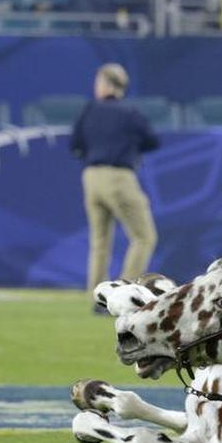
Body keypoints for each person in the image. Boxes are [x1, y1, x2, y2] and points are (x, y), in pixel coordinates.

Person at [70, 63, 160, 305]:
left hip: (91, 177)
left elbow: (75, 145)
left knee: (100, 242)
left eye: (98, 82)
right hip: (119, 177)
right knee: (144, 237)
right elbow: (152, 140)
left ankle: (98, 298)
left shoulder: (89, 110)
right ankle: (123, 295)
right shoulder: (129, 113)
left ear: (107, 84)